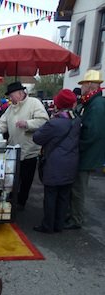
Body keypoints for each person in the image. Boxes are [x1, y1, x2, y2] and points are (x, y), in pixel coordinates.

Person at [0, 81, 49, 210]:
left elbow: (43, 121)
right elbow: (2, 124)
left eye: (11, 95)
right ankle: (12, 200)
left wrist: (27, 124)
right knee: (12, 178)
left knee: (26, 180)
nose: (10, 99)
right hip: (14, 150)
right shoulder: (11, 108)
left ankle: (21, 203)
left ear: (20, 93)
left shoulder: (34, 103)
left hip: (29, 150)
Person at [32, 89, 81, 233]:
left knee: (51, 196)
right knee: (64, 196)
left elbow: (37, 138)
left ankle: (48, 225)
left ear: (58, 103)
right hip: (71, 163)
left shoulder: (54, 123)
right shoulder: (77, 120)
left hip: (54, 163)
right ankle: (59, 225)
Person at [65, 70, 105, 230]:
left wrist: (76, 145)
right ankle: (74, 215)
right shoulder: (93, 102)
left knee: (78, 188)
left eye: (82, 84)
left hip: (87, 153)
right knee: (76, 187)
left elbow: (92, 133)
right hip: (86, 152)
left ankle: (76, 219)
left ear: (89, 85)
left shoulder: (97, 105)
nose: (80, 88)